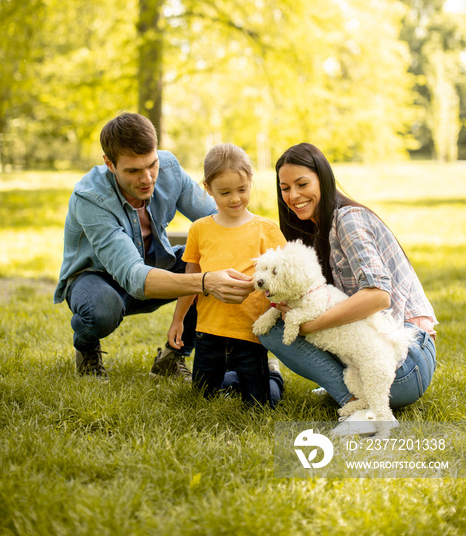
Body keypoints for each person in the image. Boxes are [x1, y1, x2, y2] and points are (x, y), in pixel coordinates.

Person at [54, 113, 253, 377]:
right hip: (98, 280)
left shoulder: (169, 168)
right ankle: (86, 346)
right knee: (101, 310)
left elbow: (218, 220)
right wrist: (205, 282)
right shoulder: (91, 198)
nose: (147, 178)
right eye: (133, 171)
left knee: (212, 258)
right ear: (109, 164)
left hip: (155, 264)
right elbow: (134, 277)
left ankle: (174, 356)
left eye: (151, 164)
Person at [257, 143, 437, 432]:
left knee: (281, 330)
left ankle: (360, 405)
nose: (293, 196)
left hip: (403, 364)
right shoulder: (317, 228)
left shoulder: (348, 220)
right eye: (285, 188)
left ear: (323, 179)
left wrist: (308, 325)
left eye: (302, 184)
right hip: (372, 352)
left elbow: (378, 296)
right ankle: (353, 394)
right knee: (269, 323)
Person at [167, 143, 286, 406]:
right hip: (208, 332)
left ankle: (272, 376)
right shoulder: (199, 229)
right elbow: (192, 278)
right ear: (207, 189)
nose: (235, 198)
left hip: (251, 334)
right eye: (225, 192)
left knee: (261, 404)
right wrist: (178, 320)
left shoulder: (266, 229)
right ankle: (232, 377)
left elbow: (284, 278)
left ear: (250, 183)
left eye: (242, 190)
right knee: (202, 398)